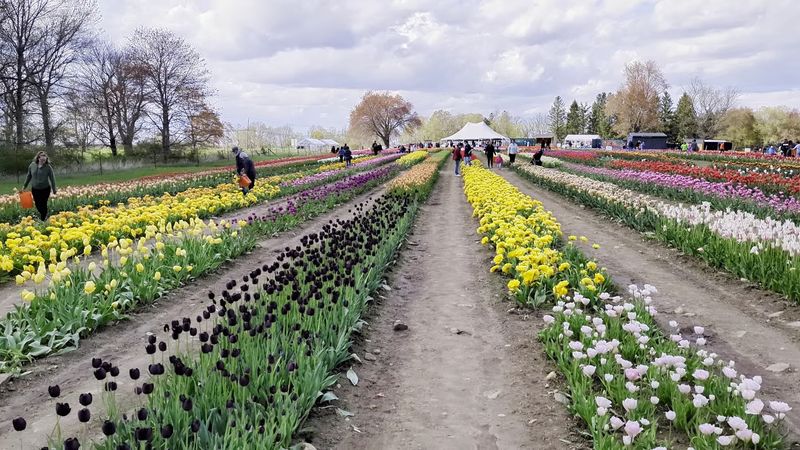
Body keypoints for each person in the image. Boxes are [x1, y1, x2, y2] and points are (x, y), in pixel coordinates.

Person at [23, 151, 57, 221]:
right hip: (35, 189)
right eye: (42, 159)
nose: (44, 161)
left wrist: (54, 189)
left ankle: (43, 219)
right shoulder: (32, 165)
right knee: (38, 204)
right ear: (38, 158)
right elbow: (28, 176)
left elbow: (52, 178)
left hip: (45, 189)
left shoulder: (48, 167)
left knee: (43, 204)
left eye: (45, 160)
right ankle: (44, 215)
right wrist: (24, 186)